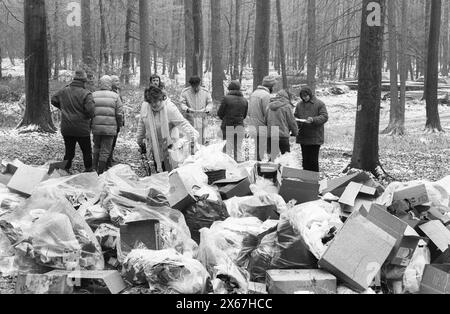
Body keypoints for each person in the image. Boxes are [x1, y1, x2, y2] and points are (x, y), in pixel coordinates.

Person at [137, 85, 199, 173]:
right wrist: (139, 140)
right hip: (154, 145)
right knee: (159, 168)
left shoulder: (169, 108)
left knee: (169, 170)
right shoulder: (145, 106)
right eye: (151, 102)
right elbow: (141, 123)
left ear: (161, 98)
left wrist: (193, 135)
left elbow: (182, 123)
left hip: (170, 146)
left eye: (155, 101)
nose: (153, 104)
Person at [51, 69, 96, 173]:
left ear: (74, 79)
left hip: (66, 127)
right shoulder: (86, 94)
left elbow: (53, 99)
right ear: (84, 81)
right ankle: (88, 170)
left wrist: (63, 107)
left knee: (69, 151)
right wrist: (87, 115)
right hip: (82, 129)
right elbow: (91, 111)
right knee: (86, 151)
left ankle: (65, 170)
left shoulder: (64, 91)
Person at [92, 76, 124, 174]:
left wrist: (91, 124)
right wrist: (119, 125)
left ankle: (93, 169)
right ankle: (100, 172)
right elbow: (119, 114)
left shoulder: (93, 95)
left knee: (96, 147)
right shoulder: (115, 96)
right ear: (110, 84)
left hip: (96, 128)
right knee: (105, 151)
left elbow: (89, 111)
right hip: (110, 129)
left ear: (100, 83)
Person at [295, 86, 329, 173]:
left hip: (315, 137)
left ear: (310, 95)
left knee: (313, 160)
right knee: (305, 160)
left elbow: (324, 117)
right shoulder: (299, 105)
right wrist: (297, 121)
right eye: (302, 96)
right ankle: (305, 180)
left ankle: (314, 180)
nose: (304, 98)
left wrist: (313, 120)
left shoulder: (320, 104)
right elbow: (296, 116)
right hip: (303, 136)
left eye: (306, 96)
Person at [247, 75, 277, 161]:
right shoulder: (266, 95)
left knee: (258, 151)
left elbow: (248, 112)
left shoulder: (254, 93)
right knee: (264, 153)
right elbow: (268, 114)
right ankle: (262, 171)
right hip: (263, 127)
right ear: (270, 86)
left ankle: (257, 170)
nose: (274, 88)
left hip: (253, 126)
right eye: (273, 86)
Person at [217, 81, 248, 162]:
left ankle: (228, 169)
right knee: (238, 149)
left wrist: (225, 119)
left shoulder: (226, 99)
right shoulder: (244, 100)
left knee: (228, 149)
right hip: (240, 126)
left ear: (229, 89)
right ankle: (238, 168)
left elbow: (220, 113)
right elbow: (244, 115)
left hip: (228, 126)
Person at [180, 76, 213, 145]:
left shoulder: (205, 92)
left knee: (201, 140)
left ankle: (201, 152)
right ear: (191, 85)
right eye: (193, 86)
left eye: (197, 86)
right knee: (191, 139)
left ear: (200, 83)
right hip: (190, 118)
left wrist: (207, 109)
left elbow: (210, 103)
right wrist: (187, 109)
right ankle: (191, 153)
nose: (195, 88)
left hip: (202, 118)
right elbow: (182, 104)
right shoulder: (185, 92)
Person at [266, 90, 299, 158]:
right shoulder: (287, 106)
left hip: (271, 135)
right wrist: (295, 132)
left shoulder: (269, 106)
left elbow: (265, 120)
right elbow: (291, 122)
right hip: (282, 135)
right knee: (286, 158)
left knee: (272, 159)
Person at [108, 75, 124, 168]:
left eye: (118, 80)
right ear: (111, 83)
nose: (118, 82)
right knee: (110, 141)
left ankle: (111, 156)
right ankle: (108, 160)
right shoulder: (111, 92)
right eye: (116, 81)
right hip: (112, 120)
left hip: (117, 120)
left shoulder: (118, 91)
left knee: (113, 141)